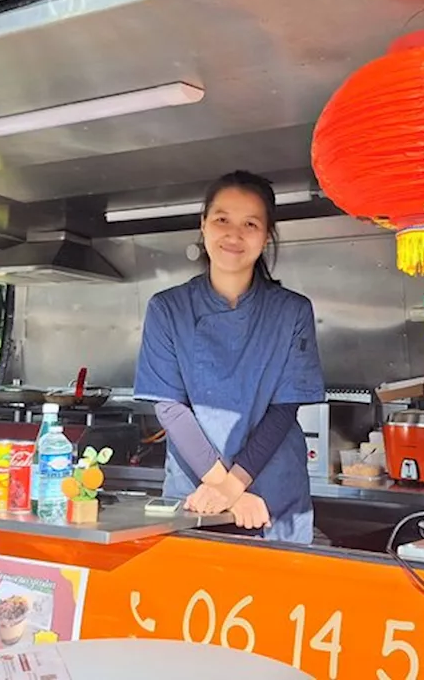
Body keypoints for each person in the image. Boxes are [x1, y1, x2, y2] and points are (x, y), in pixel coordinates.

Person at [133, 170, 325, 544]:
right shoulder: (168, 309)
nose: (234, 234)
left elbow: (284, 408)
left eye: (250, 223)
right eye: (222, 219)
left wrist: (232, 487)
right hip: (198, 496)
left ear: (266, 235)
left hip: (271, 500)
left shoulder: (292, 312)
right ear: (203, 225)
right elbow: (169, 407)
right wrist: (221, 487)